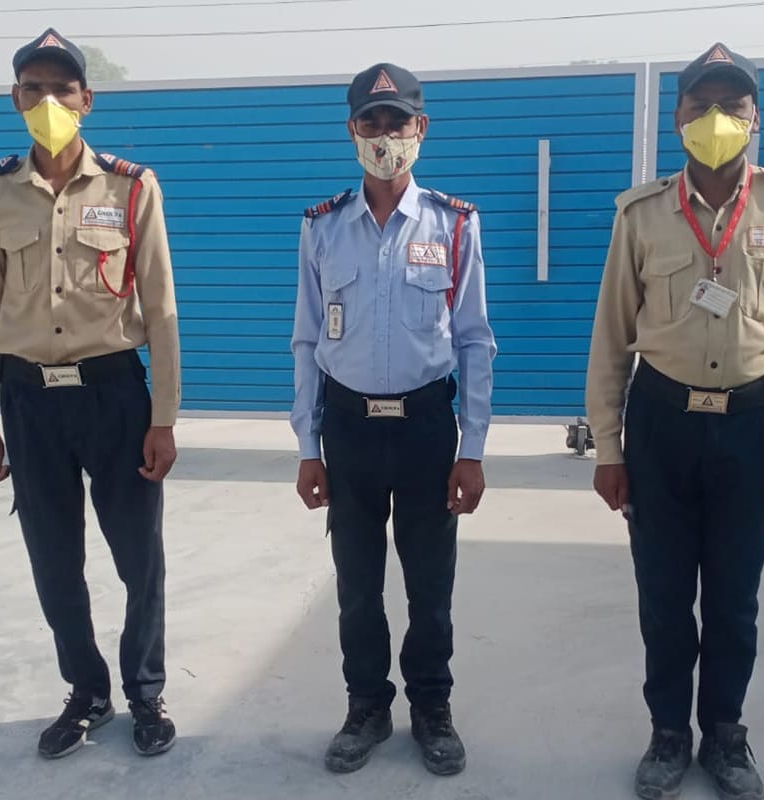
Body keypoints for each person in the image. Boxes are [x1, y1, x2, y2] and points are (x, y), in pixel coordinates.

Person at [584, 42, 764, 800]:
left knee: (733, 598)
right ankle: (668, 732)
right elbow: (610, 337)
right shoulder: (641, 214)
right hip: (661, 426)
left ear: (756, 118)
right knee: (663, 596)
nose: (716, 118)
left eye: (733, 105)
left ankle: (724, 731)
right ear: (678, 117)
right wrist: (609, 448)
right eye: (701, 105)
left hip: (752, 428)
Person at [0, 27, 181, 760]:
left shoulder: (130, 186)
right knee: (54, 561)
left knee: (138, 558)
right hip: (30, 402)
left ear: (88, 99)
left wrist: (164, 418)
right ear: (15, 99)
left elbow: (161, 308)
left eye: (63, 88)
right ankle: (87, 691)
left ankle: (145, 692)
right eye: (34, 89)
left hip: (114, 396)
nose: (49, 101)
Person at [289, 62, 497, 777]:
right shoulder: (323, 227)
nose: (384, 136)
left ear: (420, 128)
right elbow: (307, 340)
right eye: (370, 122)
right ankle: (366, 708)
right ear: (352, 131)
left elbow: (474, 340)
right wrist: (308, 446)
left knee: (430, 587)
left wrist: (472, 448)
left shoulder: (454, 223)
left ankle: (432, 709)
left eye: (397, 121)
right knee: (356, 587)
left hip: (426, 429)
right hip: (348, 430)